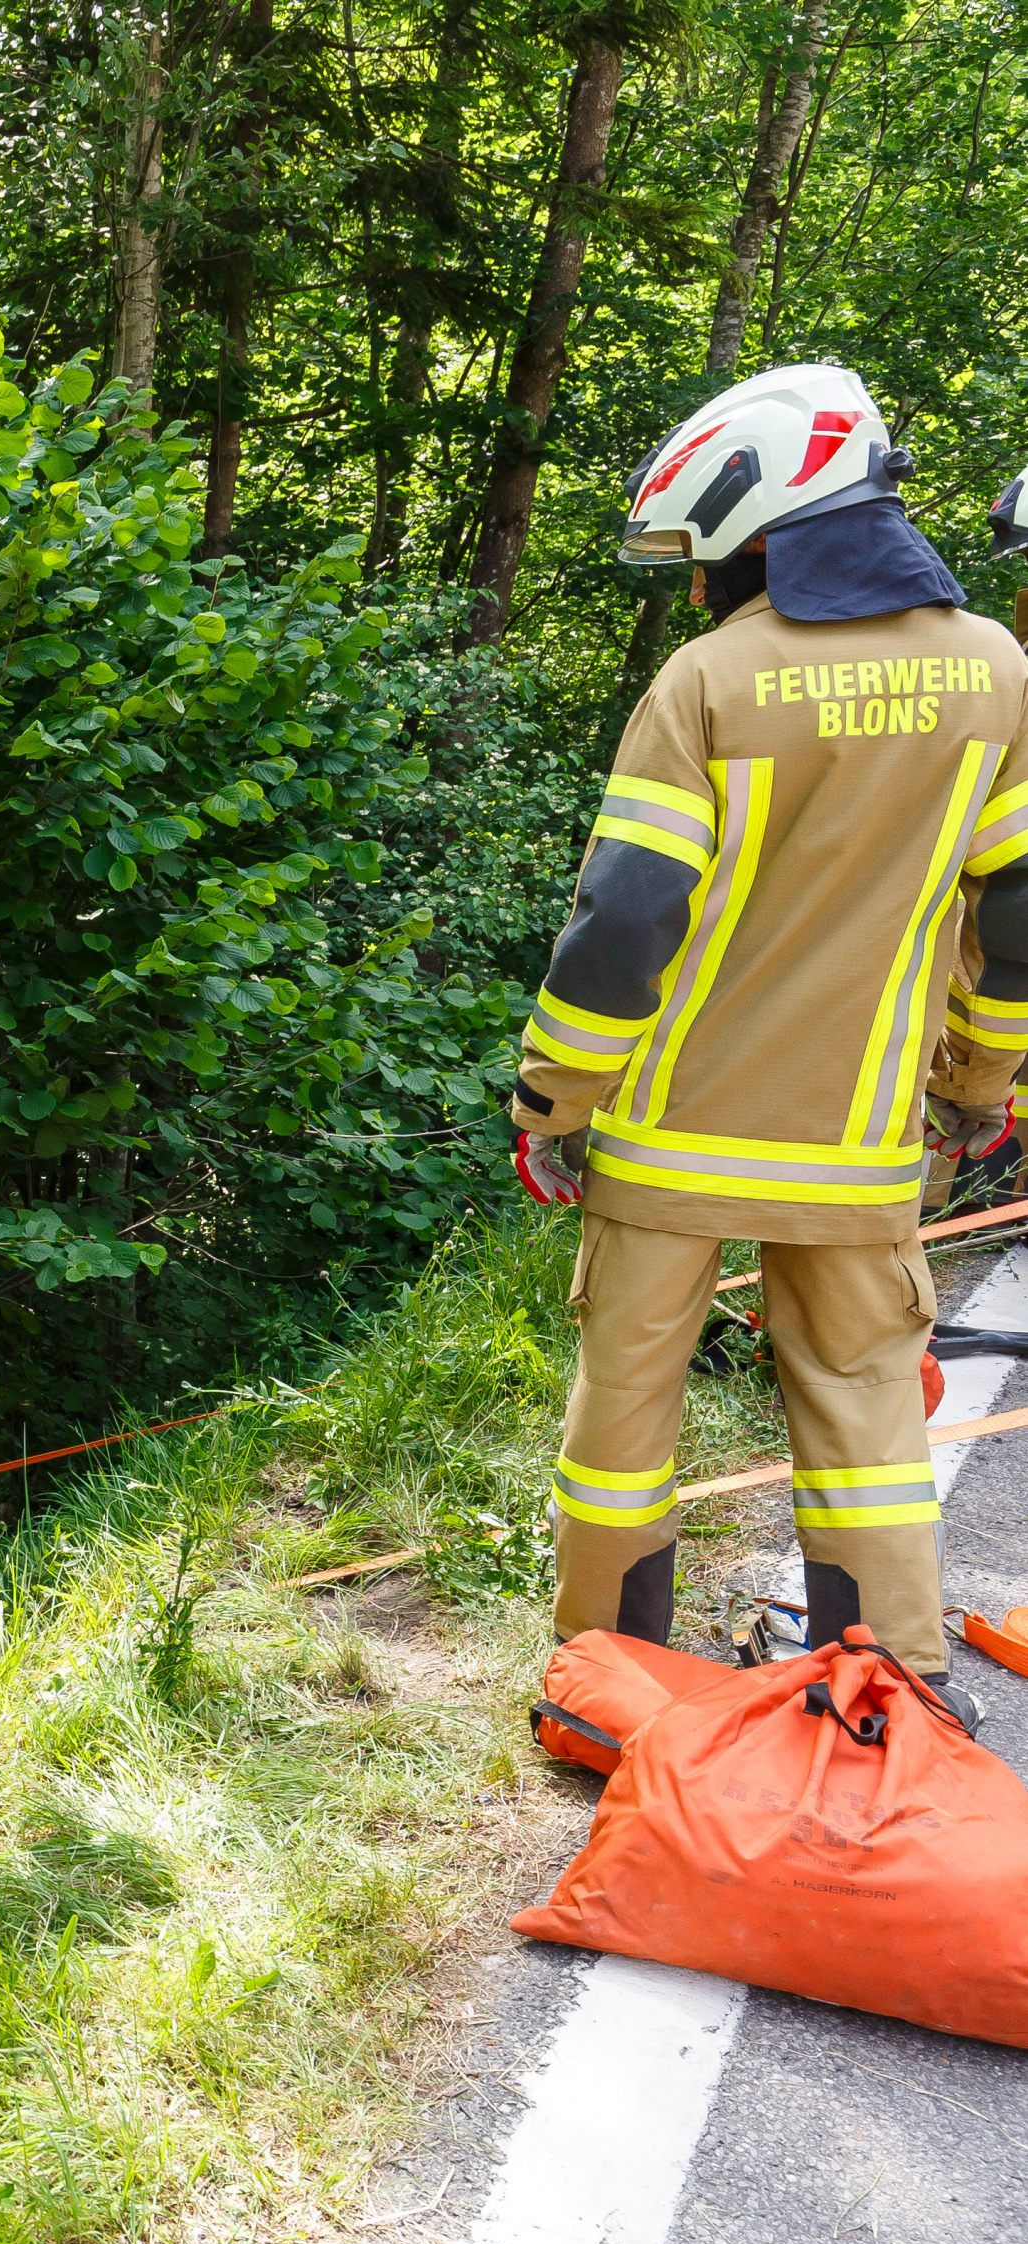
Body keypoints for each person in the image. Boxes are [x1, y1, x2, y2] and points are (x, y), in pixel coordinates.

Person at [511, 364, 1028, 1677]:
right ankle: (888, 1684)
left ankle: (612, 1683)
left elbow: (623, 924)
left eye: (705, 556)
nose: (695, 587)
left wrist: (553, 1102)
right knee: (865, 1418)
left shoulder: (709, 682)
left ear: (767, 526)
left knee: (625, 1421)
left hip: (668, 1142)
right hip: (857, 1149)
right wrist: (980, 1085)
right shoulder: (995, 676)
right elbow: (1018, 925)